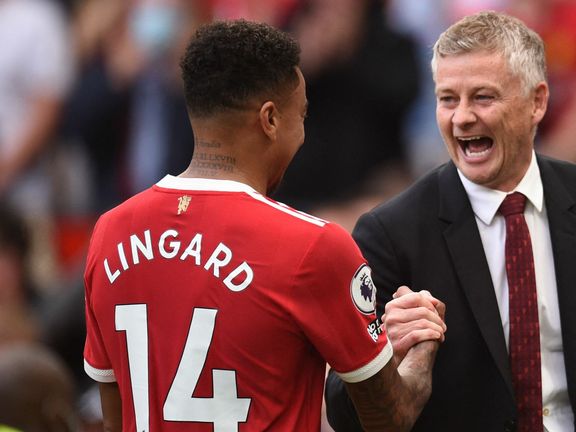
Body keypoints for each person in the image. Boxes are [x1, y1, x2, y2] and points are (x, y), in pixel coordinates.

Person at [325, 11, 576, 432]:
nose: (461, 118)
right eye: (447, 99)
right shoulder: (391, 232)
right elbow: (345, 412)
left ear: (537, 102)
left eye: (483, 97)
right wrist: (387, 359)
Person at [82, 20, 446, 431]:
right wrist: (421, 346)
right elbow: (388, 419)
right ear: (270, 120)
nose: (303, 134)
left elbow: (116, 418)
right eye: (302, 115)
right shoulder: (313, 246)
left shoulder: (109, 233)